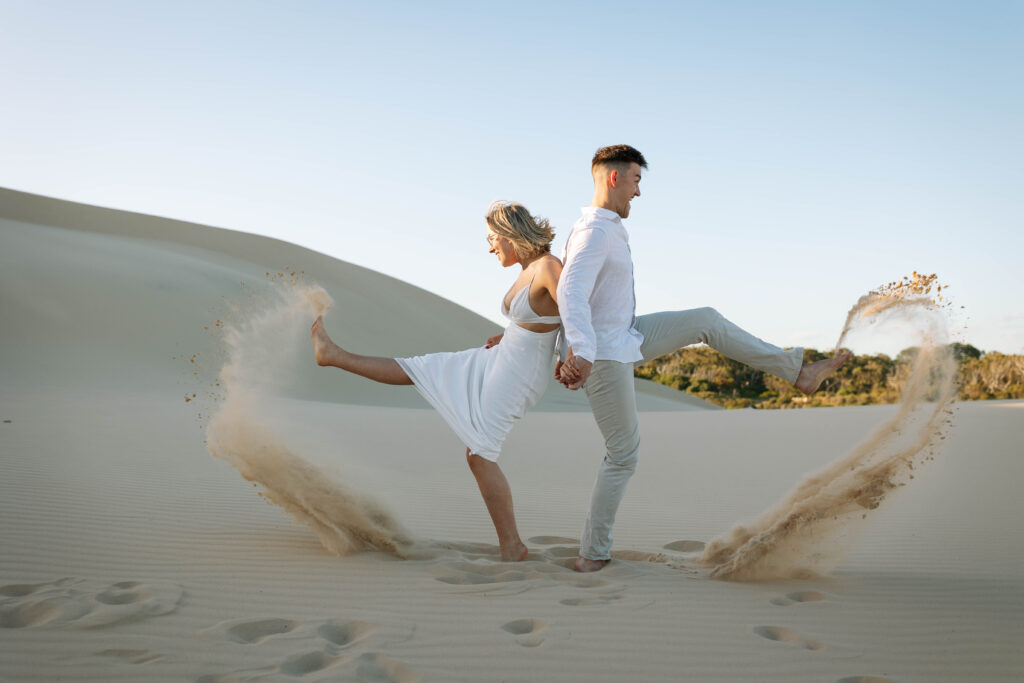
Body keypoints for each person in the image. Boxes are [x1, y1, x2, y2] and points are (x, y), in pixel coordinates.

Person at [556, 144, 852, 572]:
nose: (639, 192)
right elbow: (569, 292)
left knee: (705, 320)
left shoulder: (607, 228)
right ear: (615, 178)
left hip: (627, 334)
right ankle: (592, 555)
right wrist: (579, 351)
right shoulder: (595, 232)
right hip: (603, 355)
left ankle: (798, 371)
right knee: (622, 455)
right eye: (637, 181)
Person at [311, 201, 562, 562]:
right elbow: (537, 319)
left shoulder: (549, 267)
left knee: (479, 453)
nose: (490, 246)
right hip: (501, 359)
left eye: (493, 238)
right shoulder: (529, 269)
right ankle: (333, 355)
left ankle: (513, 547)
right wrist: (508, 335)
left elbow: (575, 319)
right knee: (424, 369)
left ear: (510, 234)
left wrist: (573, 361)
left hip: (520, 373)